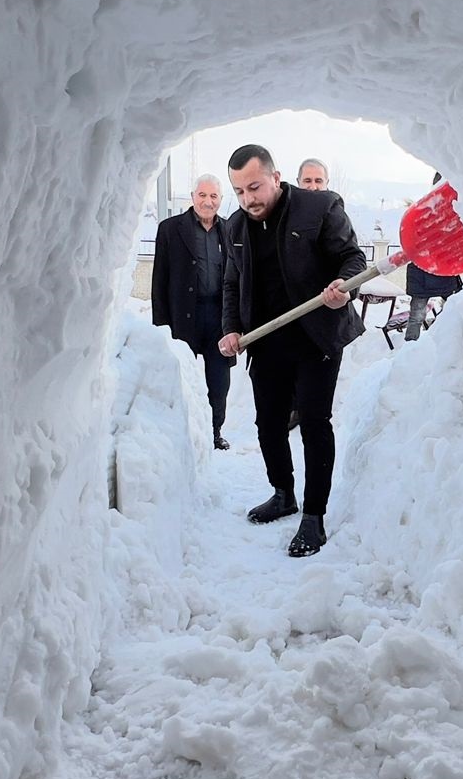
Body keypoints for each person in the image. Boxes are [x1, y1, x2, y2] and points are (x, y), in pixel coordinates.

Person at [218, 144, 366, 557]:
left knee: (315, 423)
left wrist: (343, 287)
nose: (249, 199)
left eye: (255, 187)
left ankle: (314, 517)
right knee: (268, 423)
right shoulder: (235, 228)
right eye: (240, 191)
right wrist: (231, 328)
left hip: (316, 337)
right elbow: (233, 284)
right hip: (266, 341)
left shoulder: (319, 207)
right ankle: (283, 493)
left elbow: (352, 258)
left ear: (275, 176)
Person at [150, 174, 235, 449]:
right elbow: (159, 281)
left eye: (213, 196)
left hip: (219, 318)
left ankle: (214, 431)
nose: (207, 201)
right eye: (202, 195)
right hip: (184, 315)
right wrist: (161, 326)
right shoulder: (170, 229)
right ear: (192, 196)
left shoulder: (230, 230)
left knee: (219, 383)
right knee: (183, 379)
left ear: (220, 200)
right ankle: (182, 432)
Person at [403, 172, 463, 341]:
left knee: (455, 309)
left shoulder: (453, 211)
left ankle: (442, 341)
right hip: (426, 273)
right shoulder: (423, 212)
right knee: (419, 316)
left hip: (440, 272)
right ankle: (413, 350)